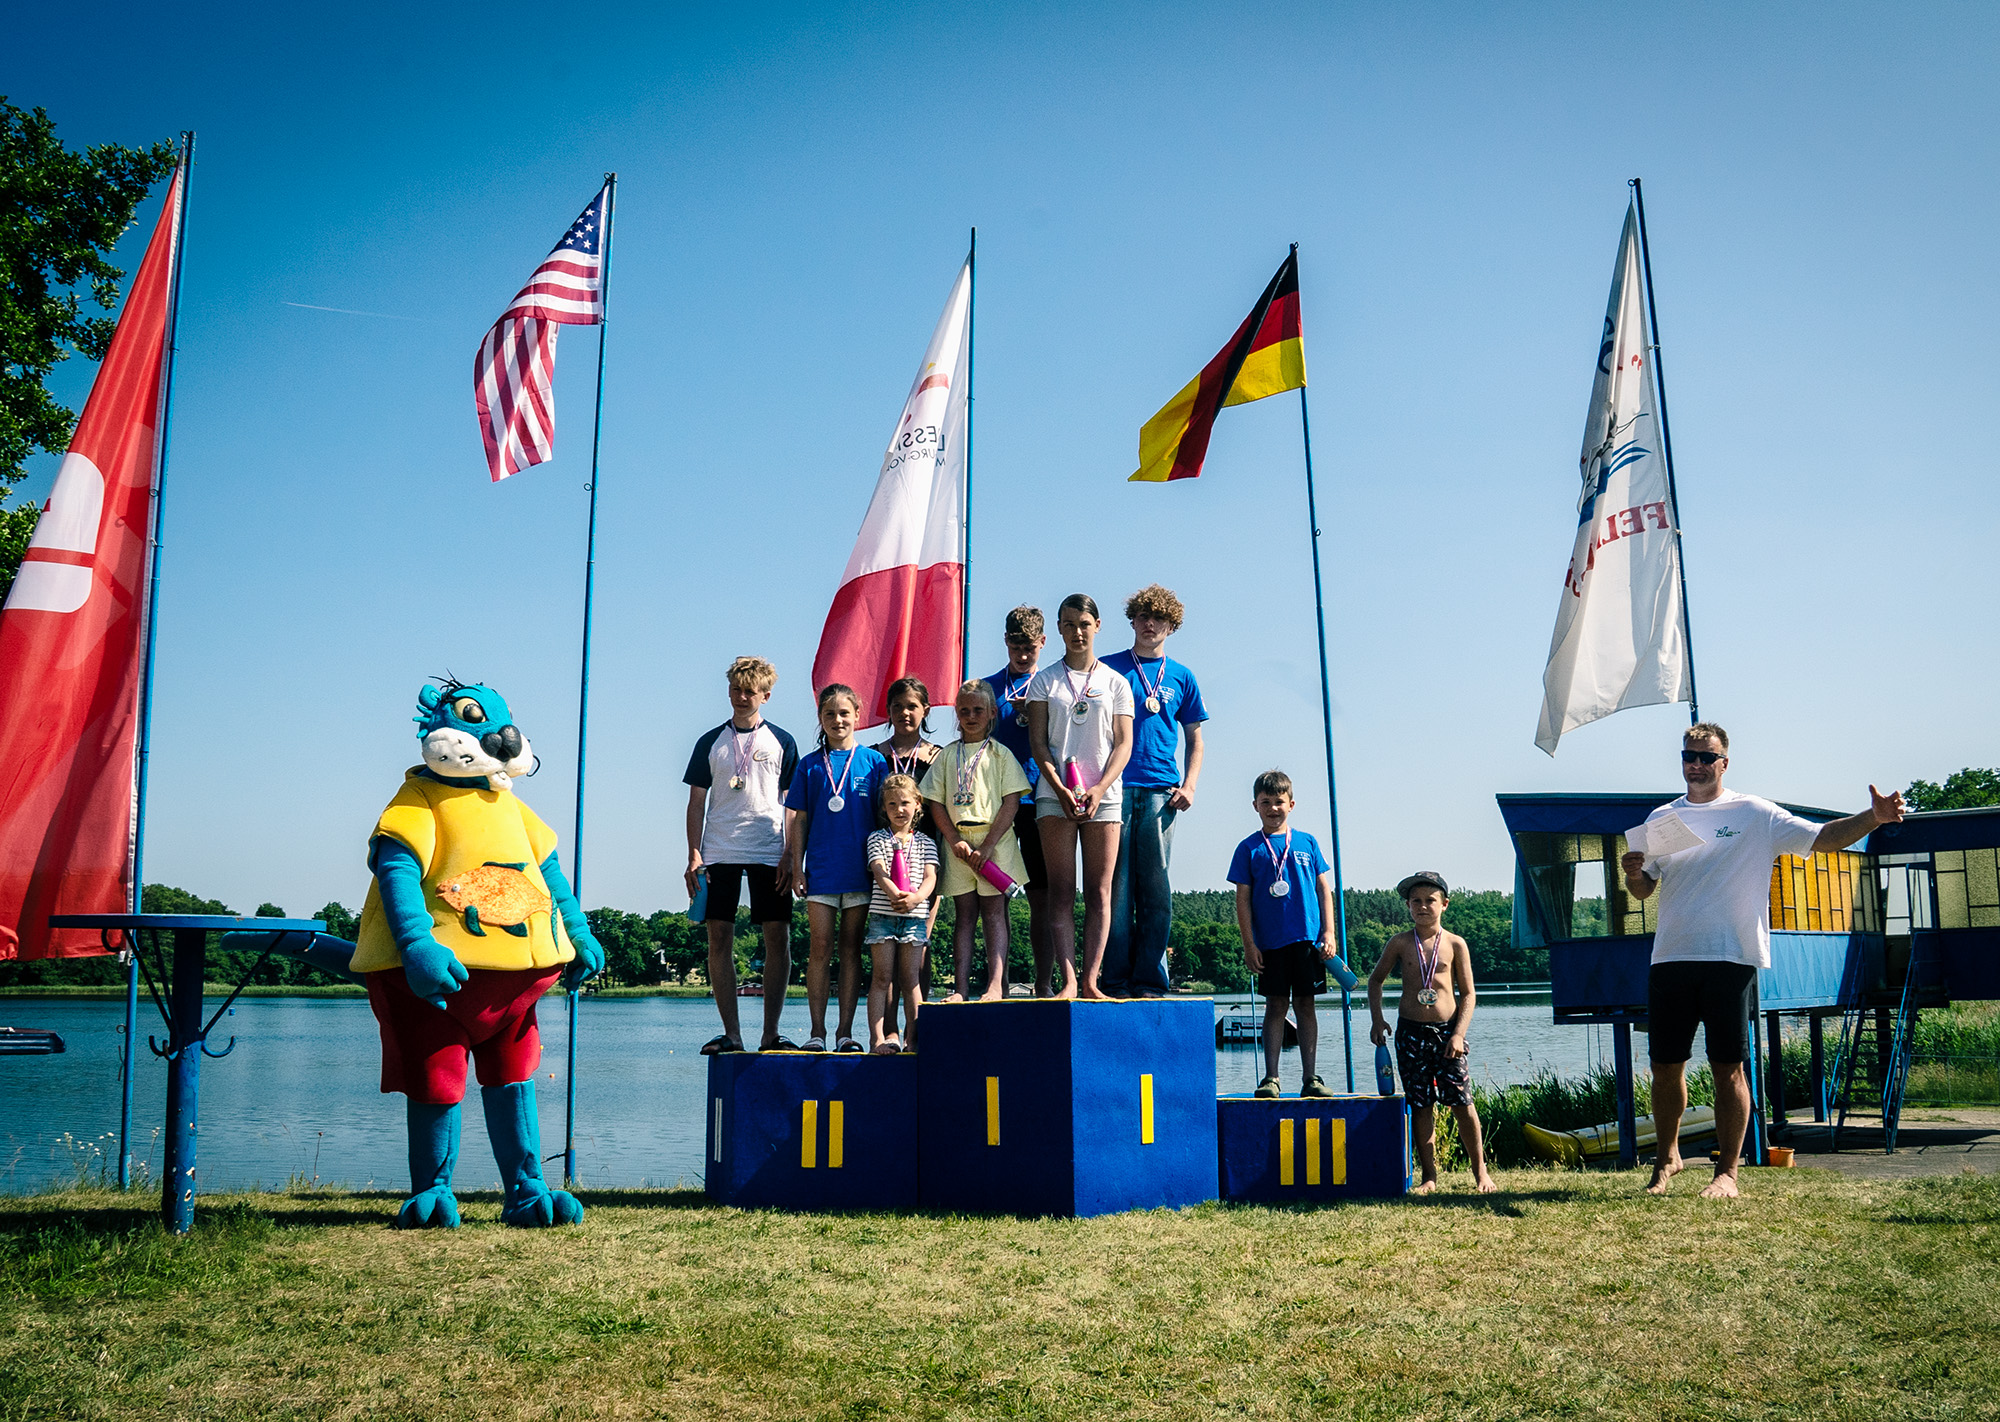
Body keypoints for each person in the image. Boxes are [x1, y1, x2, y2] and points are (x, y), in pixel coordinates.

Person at [1621, 722, 1905, 1199]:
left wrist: (1871, 818)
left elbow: (1823, 837)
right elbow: (1645, 888)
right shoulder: (1661, 818)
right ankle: (1667, 1158)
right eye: (1688, 755)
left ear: (1724, 763)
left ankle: (1727, 1174)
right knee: (1665, 1065)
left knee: (1726, 1065)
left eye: (1705, 757)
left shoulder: (1754, 814)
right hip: (1671, 956)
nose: (1695, 764)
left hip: (1732, 956)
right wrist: (1634, 873)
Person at [682, 656, 800, 1054]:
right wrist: (694, 854)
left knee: (777, 938)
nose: (741, 696)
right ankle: (732, 1034)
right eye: (736, 688)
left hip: (770, 848)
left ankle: (771, 1034)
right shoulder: (710, 741)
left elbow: (793, 805)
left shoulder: (782, 741)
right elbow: (696, 802)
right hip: (719, 849)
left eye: (750, 691)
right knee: (719, 939)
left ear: (766, 696)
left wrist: (790, 853)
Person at [1026, 594, 1134, 1000]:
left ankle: (1091, 981)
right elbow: (1038, 744)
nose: (1077, 632)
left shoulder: (1115, 682)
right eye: (1068, 624)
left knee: (1099, 892)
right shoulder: (1045, 680)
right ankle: (1068, 981)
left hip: (1103, 798)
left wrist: (1099, 788)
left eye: (1084, 623)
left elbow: (1123, 744)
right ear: (1058, 629)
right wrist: (1059, 787)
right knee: (1061, 891)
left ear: (1098, 626)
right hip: (1055, 797)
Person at [1103, 584, 1208, 998]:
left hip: (1164, 793)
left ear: (1171, 626)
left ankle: (1149, 980)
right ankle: (1112, 980)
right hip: (1114, 790)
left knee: (1156, 889)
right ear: (1131, 621)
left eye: (1159, 619)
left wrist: (1191, 785)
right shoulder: (1108, 669)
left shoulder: (1183, 676)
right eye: (1143, 617)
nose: (1150, 625)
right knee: (1115, 889)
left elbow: (1196, 739)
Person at [1368, 871, 1497, 1194]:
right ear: (1408, 906)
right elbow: (1375, 981)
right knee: (1422, 1104)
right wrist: (1376, 1019)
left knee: (1462, 1103)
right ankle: (1429, 1176)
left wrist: (1458, 1034)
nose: (1423, 907)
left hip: (1447, 1033)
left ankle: (1481, 1173)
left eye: (1430, 901)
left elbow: (1468, 993)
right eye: (1416, 902)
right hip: (1410, 1032)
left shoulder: (1455, 944)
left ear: (1445, 904)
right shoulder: (1399, 942)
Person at [783, 684, 890, 1052]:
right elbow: (800, 818)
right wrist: (797, 867)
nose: (838, 720)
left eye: (845, 713)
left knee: (851, 949)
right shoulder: (810, 765)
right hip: (822, 872)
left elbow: (883, 816)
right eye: (830, 714)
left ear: (858, 716)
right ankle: (817, 1032)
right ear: (820, 719)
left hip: (860, 871)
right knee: (819, 948)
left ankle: (845, 1032)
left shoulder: (874, 762)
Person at [1229, 770, 1338, 1099]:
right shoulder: (1248, 848)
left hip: (1307, 941)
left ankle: (1311, 1078)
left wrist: (1329, 931)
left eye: (1279, 802)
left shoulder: (1307, 842)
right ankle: (1272, 1078)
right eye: (1266, 803)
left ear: (1291, 804)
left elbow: (1323, 889)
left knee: (1306, 1006)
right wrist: (1249, 944)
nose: (1273, 808)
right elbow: (1243, 900)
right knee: (1275, 1007)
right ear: (1255, 806)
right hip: (1271, 944)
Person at [922, 679, 1032, 1001]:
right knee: (964, 916)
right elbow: (935, 801)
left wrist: (987, 845)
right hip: (958, 846)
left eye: (978, 710)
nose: (971, 716)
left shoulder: (1001, 755)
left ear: (992, 713)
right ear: (956, 713)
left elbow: (1012, 801)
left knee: (995, 913)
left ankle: (996, 985)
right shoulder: (945, 756)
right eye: (965, 710)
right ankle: (961, 988)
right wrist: (953, 837)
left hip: (994, 843)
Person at [984, 606, 1055, 995]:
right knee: (995, 899)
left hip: (1041, 803)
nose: (1023, 654)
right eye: (1015, 645)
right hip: (995, 808)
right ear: (1005, 642)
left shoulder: (1055, 686)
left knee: (1042, 898)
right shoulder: (987, 688)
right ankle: (1000, 984)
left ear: (1043, 642)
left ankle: (1044, 984)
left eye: (1029, 646)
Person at [874, 675, 944, 1029]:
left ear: (925, 710)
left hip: (925, 866)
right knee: (885, 957)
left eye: (912, 706)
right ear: (888, 711)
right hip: (883, 865)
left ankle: (920, 1034)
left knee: (918, 954)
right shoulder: (874, 756)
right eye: (898, 706)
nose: (905, 712)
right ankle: (888, 1032)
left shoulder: (938, 756)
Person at [863, 774, 938, 1053]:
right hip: (883, 917)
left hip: (916, 919)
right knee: (881, 978)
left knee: (911, 981)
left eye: (905, 803)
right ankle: (877, 1040)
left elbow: (930, 878)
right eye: (892, 804)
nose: (899, 809)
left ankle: (913, 1040)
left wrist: (916, 898)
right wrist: (896, 896)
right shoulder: (876, 838)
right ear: (884, 807)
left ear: (918, 804)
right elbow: (879, 870)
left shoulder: (927, 842)